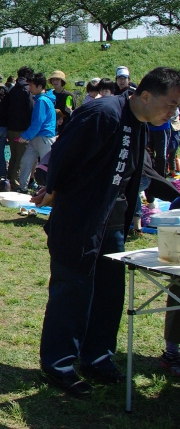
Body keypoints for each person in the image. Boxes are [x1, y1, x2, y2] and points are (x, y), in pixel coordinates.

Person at [38, 67, 180, 397]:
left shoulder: (140, 123)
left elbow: (142, 170)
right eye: (170, 104)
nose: (173, 112)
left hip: (112, 220)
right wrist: (53, 190)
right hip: (79, 219)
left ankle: (98, 359)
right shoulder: (103, 113)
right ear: (146, 95)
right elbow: (61, 156)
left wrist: (175, 194)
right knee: (73, 291)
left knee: (109, 293)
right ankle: (59, 365)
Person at [17, 73, 56, 193]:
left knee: (47, 166)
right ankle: (22, 187)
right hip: (38, 137)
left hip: (44, 137)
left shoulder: (42, 101)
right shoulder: (42, 99)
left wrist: (25, 136)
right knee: (26, 161)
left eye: (32, 85)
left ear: (40, 86)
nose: (29, 88)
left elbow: (38, 122)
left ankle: (49, 191)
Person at [5, 66, 35, 189]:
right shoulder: (27, 90)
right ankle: (16, 182)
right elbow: (31, 109)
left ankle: (9, 179)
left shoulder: (12, 90)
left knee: (13, 155)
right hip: (23, 129)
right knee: (21, 157)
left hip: (11, 128)